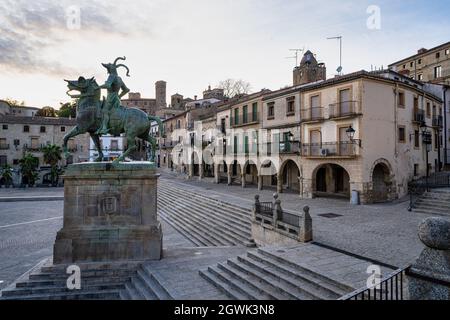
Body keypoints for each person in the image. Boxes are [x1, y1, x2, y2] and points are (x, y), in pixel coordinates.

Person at [96, 56, 130, 135]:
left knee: (105, 111)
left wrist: (98, 87)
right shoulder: (119, 78)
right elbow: (126, 90)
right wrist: (119, 96)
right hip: (117, 99)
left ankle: (104, 128)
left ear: (110, 69)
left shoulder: (111, 76)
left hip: (111, 98)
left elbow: (107, 85)